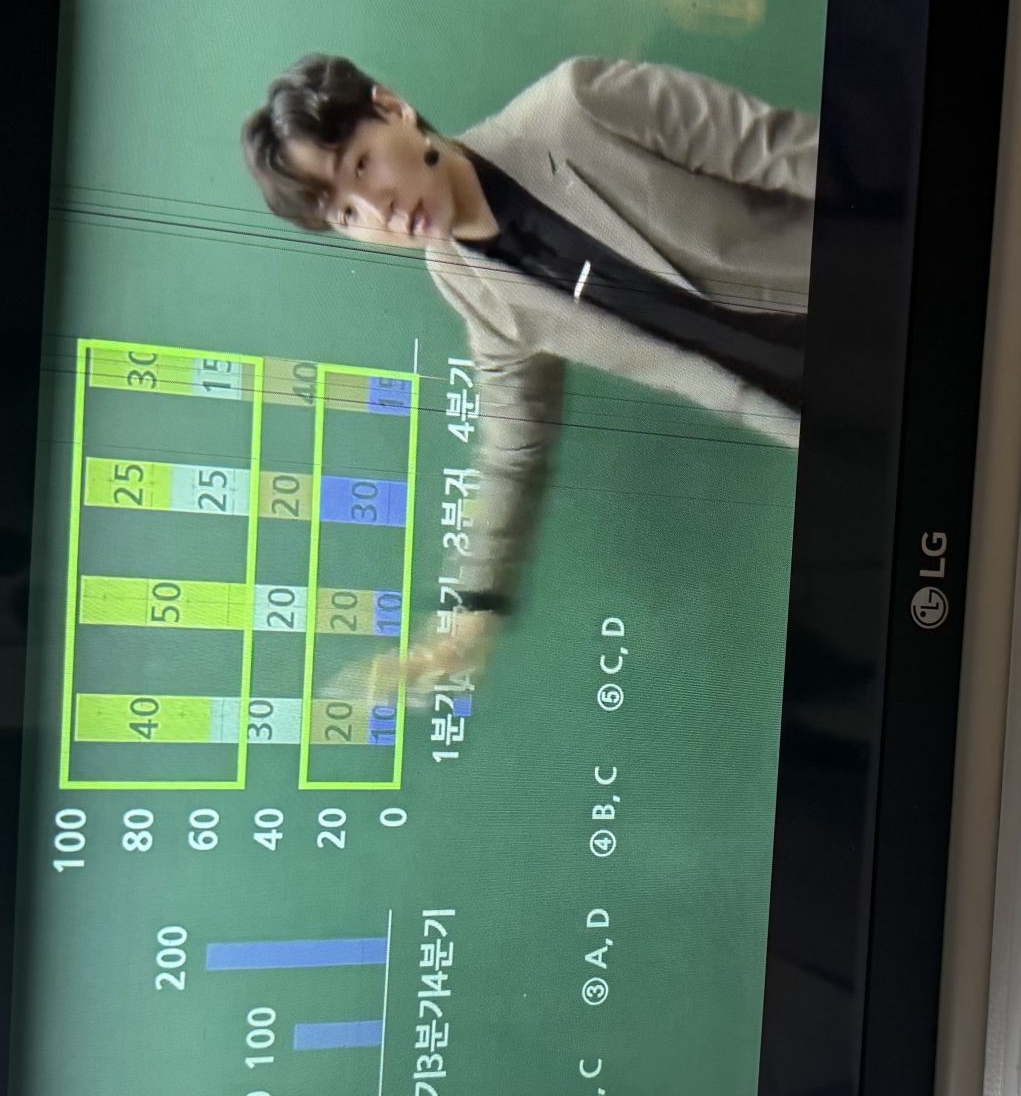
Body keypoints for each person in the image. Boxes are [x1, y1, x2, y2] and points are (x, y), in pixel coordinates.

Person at [242, 53, 816, 691]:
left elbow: (788, 151)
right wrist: (470, 618)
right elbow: (513, 450)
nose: (380, 211)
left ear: (393, 108)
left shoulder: (579, 106)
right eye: (347, 216)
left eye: (360, 165)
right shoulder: (467, 285)